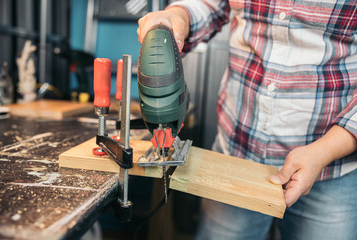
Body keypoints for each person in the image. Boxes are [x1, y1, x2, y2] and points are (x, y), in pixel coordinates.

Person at [137, 1, 357, 239]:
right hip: (236, 155)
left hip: (330, 168)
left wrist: (324, 151)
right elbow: (210, 4)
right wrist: (178, 18)